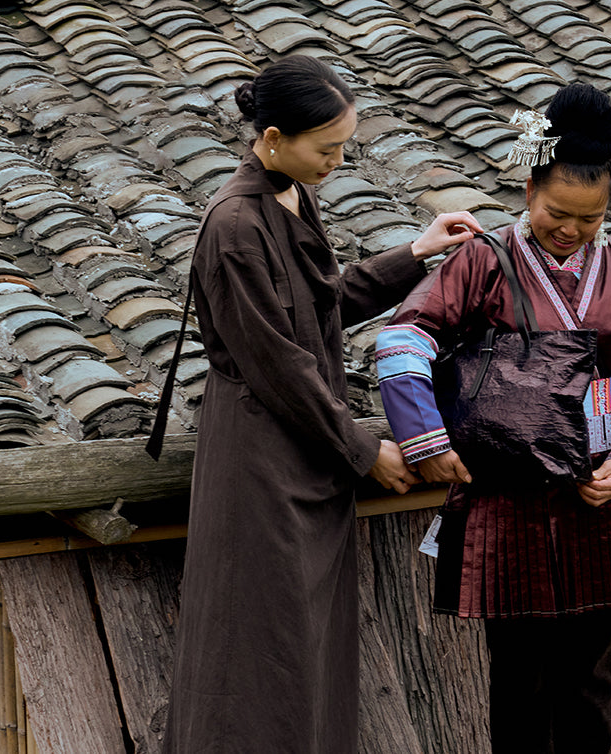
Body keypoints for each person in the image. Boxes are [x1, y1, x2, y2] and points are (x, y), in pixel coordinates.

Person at [165, 55, 482, 754]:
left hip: (307, 449)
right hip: (260, 460)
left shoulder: (291, 193)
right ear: (272, 138)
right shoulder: (234, 225)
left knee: (310, 646)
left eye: (343, 146)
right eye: (327, 147)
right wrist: (365, 449)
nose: (338, 161)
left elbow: (323, 307)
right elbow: (276, 363)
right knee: (256, 650)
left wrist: (417, 252)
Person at [375, 83, 611, 753]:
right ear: (528, 190)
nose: (569, 229)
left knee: (587, 675)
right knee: (519, 676)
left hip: (595, 492)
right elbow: (403, 341)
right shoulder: (482, 262)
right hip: (506, 496)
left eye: (589, 217)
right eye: (555, 211)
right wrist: (425, 438)